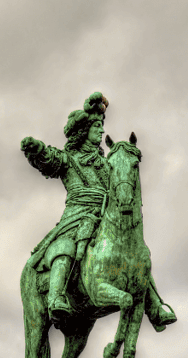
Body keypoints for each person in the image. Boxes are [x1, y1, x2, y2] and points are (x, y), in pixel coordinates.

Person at [19, 92, 176, 328]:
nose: (101, 132)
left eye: (102, 127)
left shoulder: (106, 162)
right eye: (97, 127)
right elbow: (49, 160)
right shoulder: (69, 159)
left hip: (105, 215)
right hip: (78, 215)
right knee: (65, 247)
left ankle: (153, 305)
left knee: (134, 251)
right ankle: (56, 296)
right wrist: (37, 149)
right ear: (84, 131)